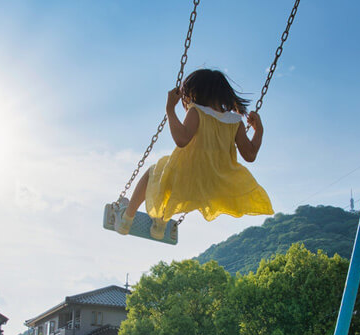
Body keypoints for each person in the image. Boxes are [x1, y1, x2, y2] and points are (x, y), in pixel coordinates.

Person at [115, 68, 273, 239]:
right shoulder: (235, 121)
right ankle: (159, 226)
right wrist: (259, 130)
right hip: (217, 183)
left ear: (194, 92)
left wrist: (170, 109)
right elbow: (250, 155)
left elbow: (182, 139)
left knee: (156, 172)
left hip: (189, 175)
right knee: (170, 180)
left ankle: (126, 219)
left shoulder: (197, 111)